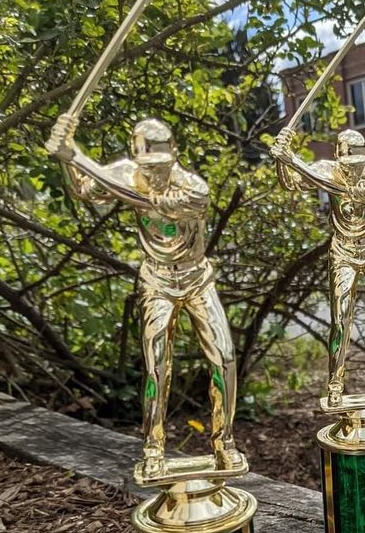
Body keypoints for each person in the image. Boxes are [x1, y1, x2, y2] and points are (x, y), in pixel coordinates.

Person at [46, 113, 243, 480]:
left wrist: (77, 156)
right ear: (137, 160)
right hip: (156, 280)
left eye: (161, 165)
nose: (154, 173)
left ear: (176, 155)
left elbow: (146, 199)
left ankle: (224, 443)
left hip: (197, 277)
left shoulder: (193, 187)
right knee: (156, 364)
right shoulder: (125, 172)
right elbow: (86, 190)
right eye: (147, 166)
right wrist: (67, 160)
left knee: (225, 357)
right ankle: (154, 447)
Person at [271, 126, 365, 407]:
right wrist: (281, 160)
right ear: (337, 159)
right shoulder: (326, 169)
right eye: (346, 165)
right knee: (340, 319)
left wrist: (294, 159)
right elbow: (291, 183)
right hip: (343, 251)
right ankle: (335, 384)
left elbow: (342, 189)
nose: (352, 170)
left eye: (357, 164)